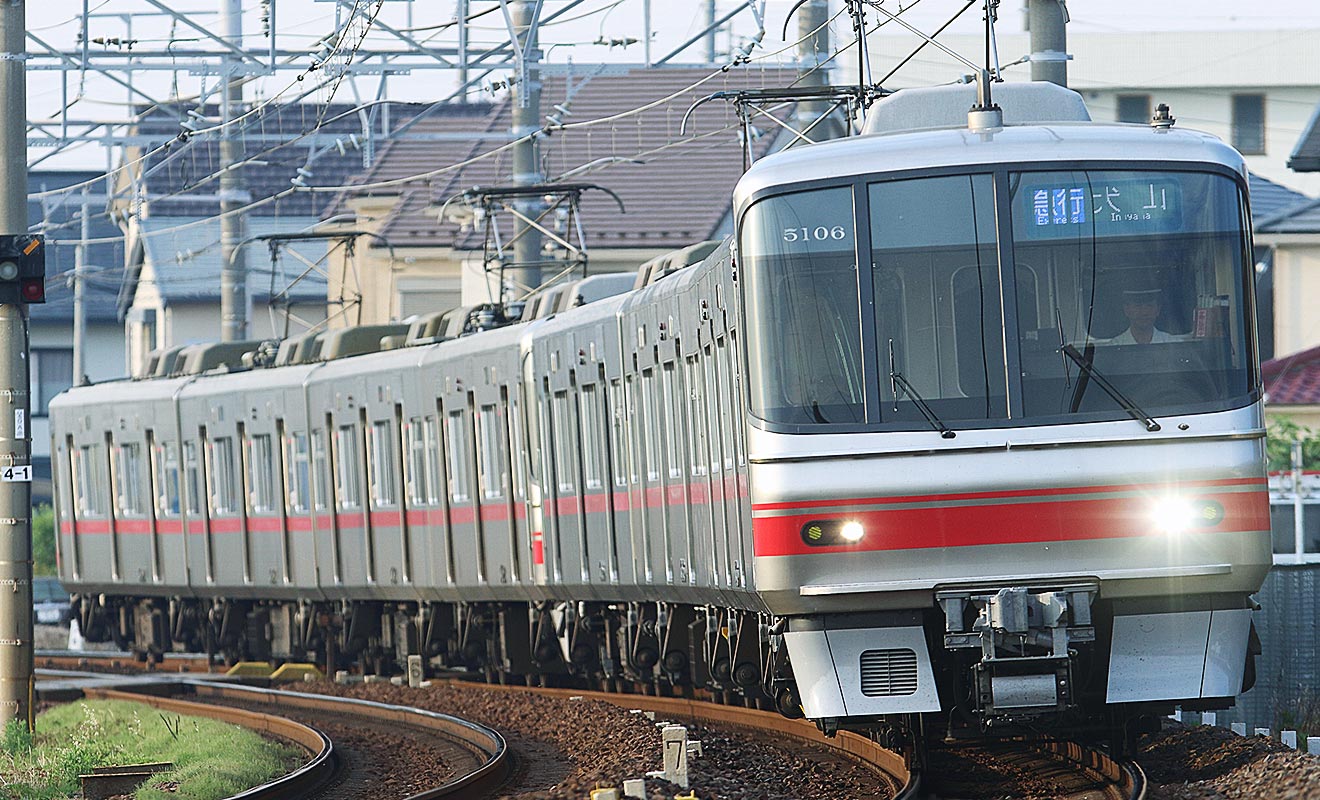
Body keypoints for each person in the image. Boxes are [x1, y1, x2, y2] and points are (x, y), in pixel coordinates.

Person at [1098, 281, 1185, 345]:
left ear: (1158, 310)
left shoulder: (1173, 344)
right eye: (1137, 306)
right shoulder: (1114, 346)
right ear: (1126, 310)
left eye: (1149, 306)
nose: (1144, 312)